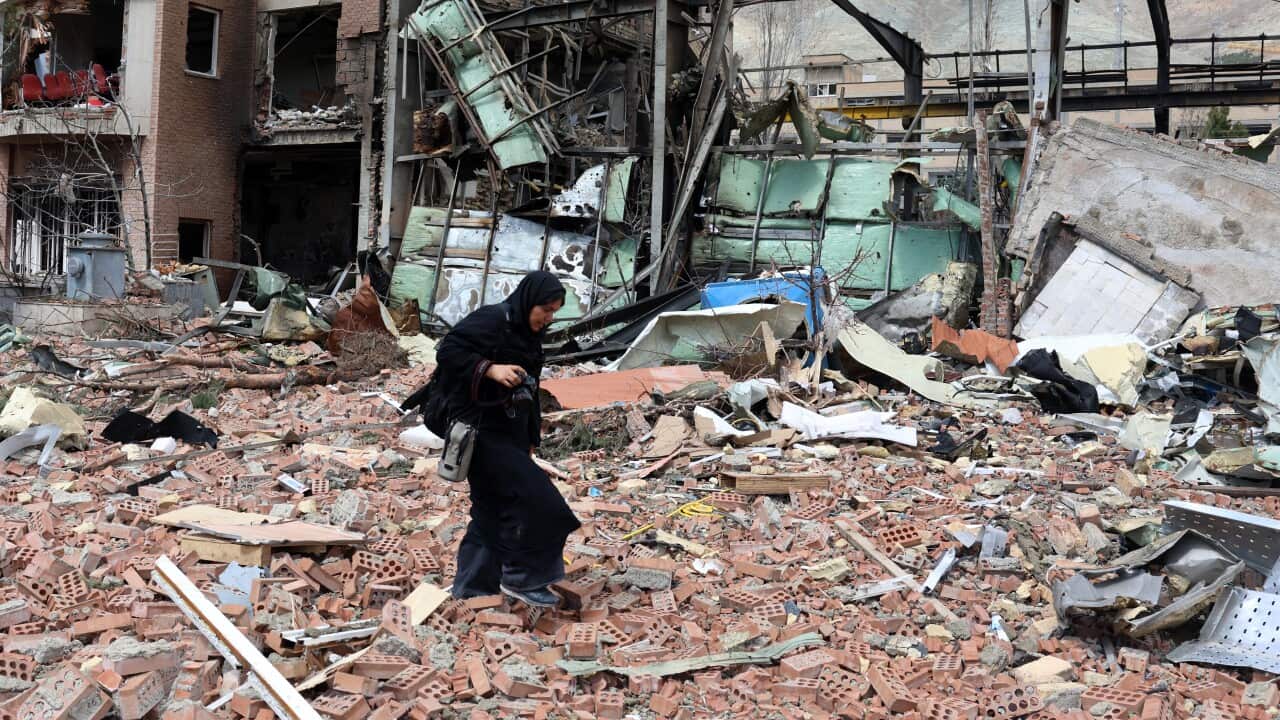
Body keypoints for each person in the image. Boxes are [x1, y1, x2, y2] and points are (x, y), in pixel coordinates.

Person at [429, 270, 581, 607]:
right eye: (546, 309)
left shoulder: (528, 335)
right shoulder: (493, 319)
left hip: (509, 435)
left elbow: (531, 391)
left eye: (555, 311)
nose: (549, 317)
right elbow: (449, 350)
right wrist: (490, 369)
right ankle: (522, 579)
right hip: (480, 434)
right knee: (545, 506)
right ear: (529, 300)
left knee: (491, 512)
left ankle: (472, 591)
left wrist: (531, 439)